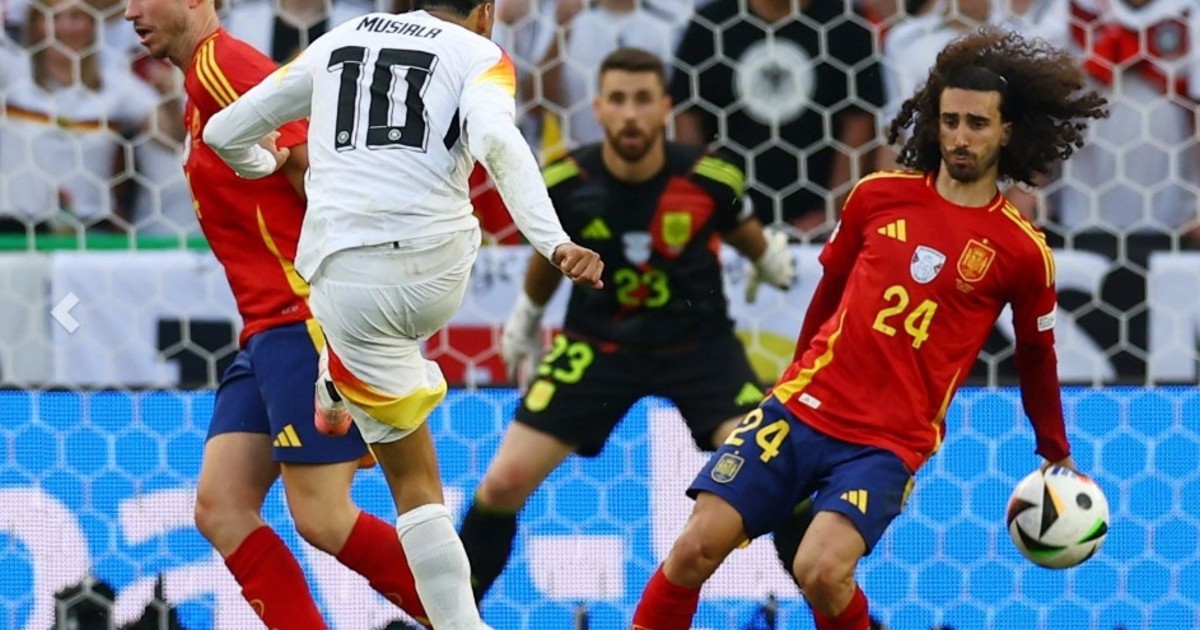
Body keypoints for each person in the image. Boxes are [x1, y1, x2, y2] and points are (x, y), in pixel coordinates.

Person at [629, 27, 1109, 629]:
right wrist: (794, 380)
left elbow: (1037, 358)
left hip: (886, 442)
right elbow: (827, 298)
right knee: (694, 548)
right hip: (801, 410)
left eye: (977, 124)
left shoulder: (1020, 249)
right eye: (950, 121)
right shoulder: (875, 197)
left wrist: (1055, 453)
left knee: (821, 570)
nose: (961, 137)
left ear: (1006, 132)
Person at [200, 0, 605, 626]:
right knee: (396, 384)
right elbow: (499, 142)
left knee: (415, 487)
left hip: (344, 286)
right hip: (437, 273)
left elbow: (224, 133)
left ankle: (343, 375)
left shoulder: (342, 39)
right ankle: (342, 379)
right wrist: (553, 242)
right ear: (486, 12)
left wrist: (261, 162)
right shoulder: (479, 54)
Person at [122, 0, 435, 627]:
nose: (130, 11)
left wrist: (348, 312)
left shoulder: (225, 68)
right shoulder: (202, 80)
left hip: (305, 319)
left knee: (322, 515)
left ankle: (457, 617)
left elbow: (318, 171)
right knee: (222, 507)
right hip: (268, 328)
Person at [456, 46, 795, 604]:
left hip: (699, 349)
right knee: (502, 483)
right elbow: (549, 254)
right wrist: (526, 319)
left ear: (665, 107)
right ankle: (449, 617)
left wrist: (769, 260)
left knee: (774, 476)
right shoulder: (565, 180)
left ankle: (839, 610)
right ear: (598, 108)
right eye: (618, 100)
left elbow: (744, 231)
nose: (631, 114)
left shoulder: (710, 177)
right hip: (597, 346)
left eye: (643, 100)